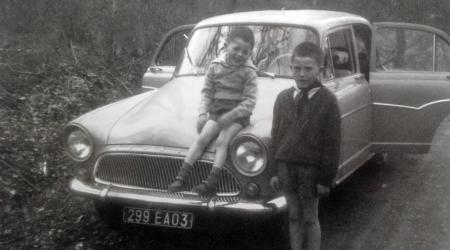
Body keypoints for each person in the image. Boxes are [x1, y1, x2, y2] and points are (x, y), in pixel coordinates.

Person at [168, 26, 258, 196]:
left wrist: (231, 116)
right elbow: (207, 92)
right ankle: (181, 176)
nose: (240, 54)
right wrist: (202, 114)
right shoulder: (215, 66)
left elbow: (250, 101)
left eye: (245, 51)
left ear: (250, 52)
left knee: (222, 141)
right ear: (226, 45)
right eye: (236, 48)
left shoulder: (249, 72)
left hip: (238, 115)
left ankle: (212, 180)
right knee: (202, 138)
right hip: (217, 111)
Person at [269, 42, 341, 250]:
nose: (302, 74)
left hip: (311, 170)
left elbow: (332, 142)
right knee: (293, 216)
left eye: (308, 69)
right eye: (297, 68)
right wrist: (274, 170)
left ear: (320, 69)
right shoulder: (283, 98)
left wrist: (325, 178)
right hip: (286, 167)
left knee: (310, 218)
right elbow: (276, 136)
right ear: (290, 68)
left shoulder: (327, 101)